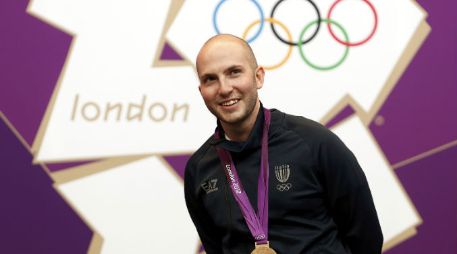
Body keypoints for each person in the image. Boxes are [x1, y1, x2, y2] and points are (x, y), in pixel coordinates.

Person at [184, 34, 383, 254]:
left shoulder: (315, 143)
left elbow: (366, 237)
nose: (224, 88)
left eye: (234, 72)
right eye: (210, 79)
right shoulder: (199, 170)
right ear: (201, 90)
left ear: (258, 77)